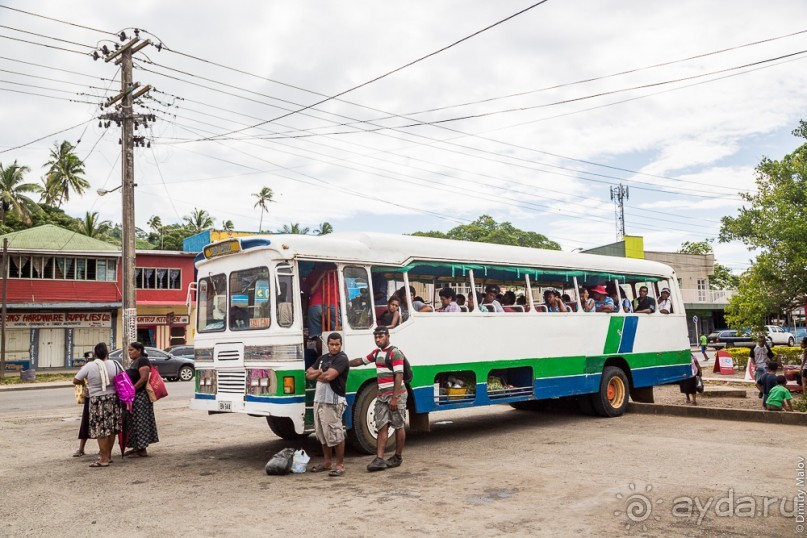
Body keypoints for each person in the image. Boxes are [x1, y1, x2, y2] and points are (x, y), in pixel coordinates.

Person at [349, 326, 407, 472]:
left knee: (398, 425)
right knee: (382, 425)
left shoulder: (395, 353)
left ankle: (398, 456)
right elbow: (361, 361)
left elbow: (399, 375)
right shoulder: (376, 353)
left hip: (396, 395)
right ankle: (379, 459)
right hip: (381, 396)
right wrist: (345, 363)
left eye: (380, 336)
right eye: (376, 337)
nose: (378, 339)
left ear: (387, 336)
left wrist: (394, 398)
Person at [305, 333, 350, 477]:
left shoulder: (342, 359)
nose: (334, 347)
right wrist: (321, 371)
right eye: (332, 344)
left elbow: (329, 377)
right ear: (328, 344)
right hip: (319, 400)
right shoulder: (323, 358)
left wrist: (319, 375)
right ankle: (327, 463)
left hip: (333, 401)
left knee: (335, 433)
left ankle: (340, 465)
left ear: (341, 344)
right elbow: (308, 374)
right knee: (322, 433)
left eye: (337, 344)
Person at [72, 343, 122, 468]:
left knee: (100, 430)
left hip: (97, 400)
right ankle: (108, 456)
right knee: (111, 429)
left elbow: (75, 380)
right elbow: (122, 377)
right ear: (107, 354)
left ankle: (103, 459)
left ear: (95, 354)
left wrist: (88, 382)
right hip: (113, 399)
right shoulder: (115, 364)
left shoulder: (90, 365)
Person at [124, 342, 159, 458]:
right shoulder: (135, 361)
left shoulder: (143, 361)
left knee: (140, 423)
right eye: (128, 350)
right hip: (134, 397)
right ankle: (136, 447)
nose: (129, 352)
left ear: (139, 350)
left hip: (140, 397)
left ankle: (142, 450)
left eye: (132, 350)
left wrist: (132, 389)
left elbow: (143, 378)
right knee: (133, 423)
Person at [304, 263, 340, 341]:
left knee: (316, 335)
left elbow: (307, 291)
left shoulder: (312, 274)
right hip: (331, 304)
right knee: (336, 333)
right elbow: (344, 294)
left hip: (314, 305)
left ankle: (320, 351)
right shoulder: (336, 275)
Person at [73, 351, 94, 458]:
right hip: (89, 397)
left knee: (101, 425)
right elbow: (77, 380)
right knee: (86, 423)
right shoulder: (89, 367)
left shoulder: (102, 365)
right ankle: (81, 448)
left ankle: (103, 450)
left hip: (97, 397)